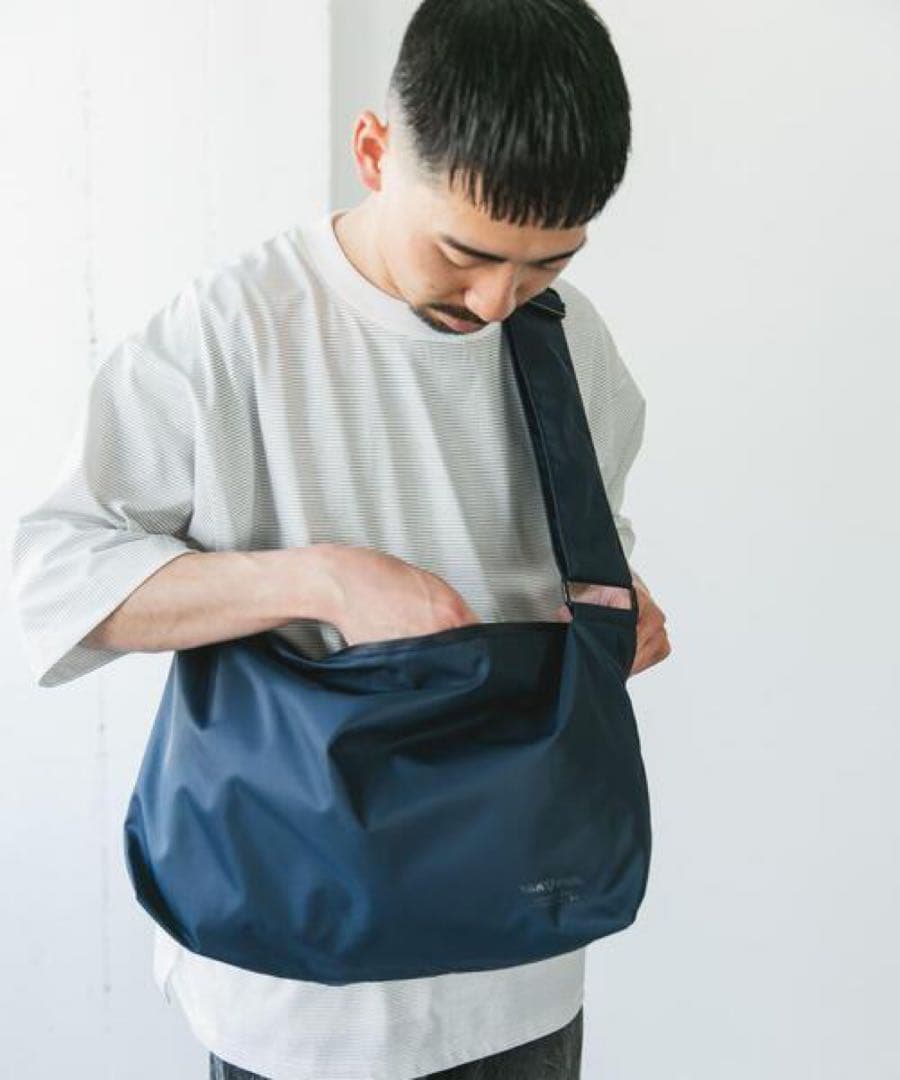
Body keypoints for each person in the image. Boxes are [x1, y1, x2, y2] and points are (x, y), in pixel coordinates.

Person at [9, 0, 671, 1076]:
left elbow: (592, 546)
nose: (497, 302)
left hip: (520, 970)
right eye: (464, 253)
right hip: (299, 992)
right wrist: (317, 581)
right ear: (373, 151)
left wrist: (619, 602)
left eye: (546, 264)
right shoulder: (230, 333)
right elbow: (55, 577)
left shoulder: (568, 341)